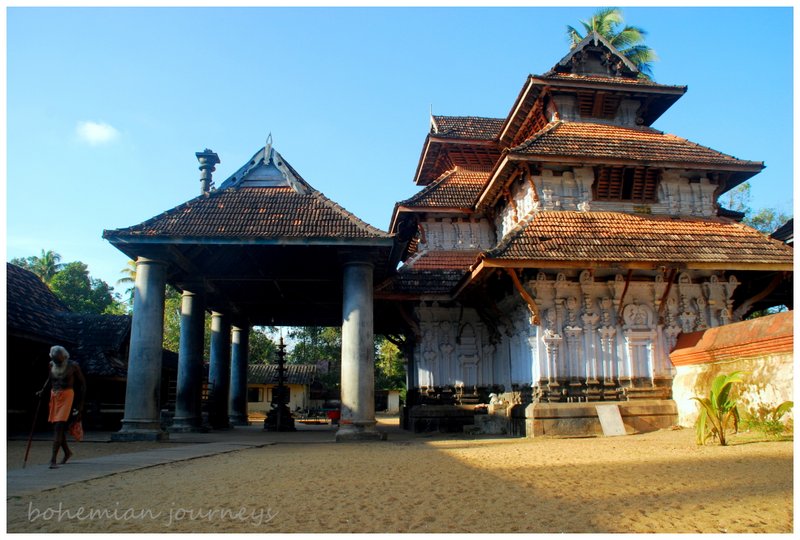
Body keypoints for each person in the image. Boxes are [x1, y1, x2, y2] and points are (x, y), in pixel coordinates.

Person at [36, 346, 86, 469]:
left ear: (65, 356)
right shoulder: (51, 364)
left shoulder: (73, 366)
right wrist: (42, 390)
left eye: (59, 360)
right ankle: (67, 452)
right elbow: (50, 379)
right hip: (54, 396)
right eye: (55, 361)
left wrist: (80, 406)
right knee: (58, 426)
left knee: (58, 426)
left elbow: (83, 384)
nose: (58, 363)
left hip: (67, 395)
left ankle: (53, 460)